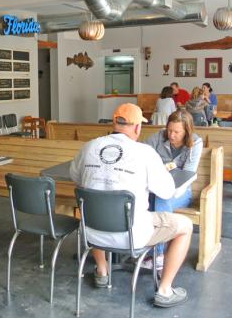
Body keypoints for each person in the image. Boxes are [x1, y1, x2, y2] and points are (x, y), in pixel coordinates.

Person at [70, 103, 192, 308]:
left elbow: (76, 177)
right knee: (185, 226)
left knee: (92, 206)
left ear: (114, 123)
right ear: (137, 128)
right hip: (132, 235)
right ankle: (164, 290)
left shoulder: (89, 146)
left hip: (91, 233)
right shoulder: (145, 153)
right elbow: (167, 192)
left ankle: (101, 271)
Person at [144, 110, 202, 267]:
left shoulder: (195, 143)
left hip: (180, 191)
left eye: (177, 132)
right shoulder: (158, 136)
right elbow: (141, 155)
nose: (171, 135)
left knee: (162, 198)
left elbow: (187, 174)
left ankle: (157, 253)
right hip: (153, 188)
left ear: (186, 131)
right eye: (169, 130)